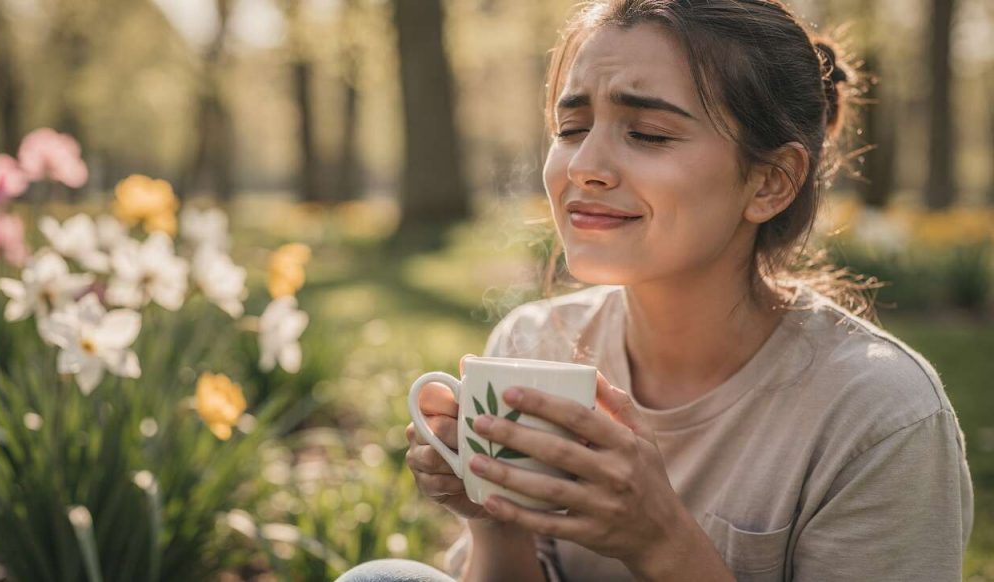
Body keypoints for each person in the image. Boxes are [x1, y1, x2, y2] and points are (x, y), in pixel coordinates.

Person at [337, 0, 973, 580]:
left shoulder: (878, 415)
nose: (585, 166)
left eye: (648, 134)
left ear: (770, 183)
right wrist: (495, 513)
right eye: (572, 127)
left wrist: (660, 541)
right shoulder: (533, 345)